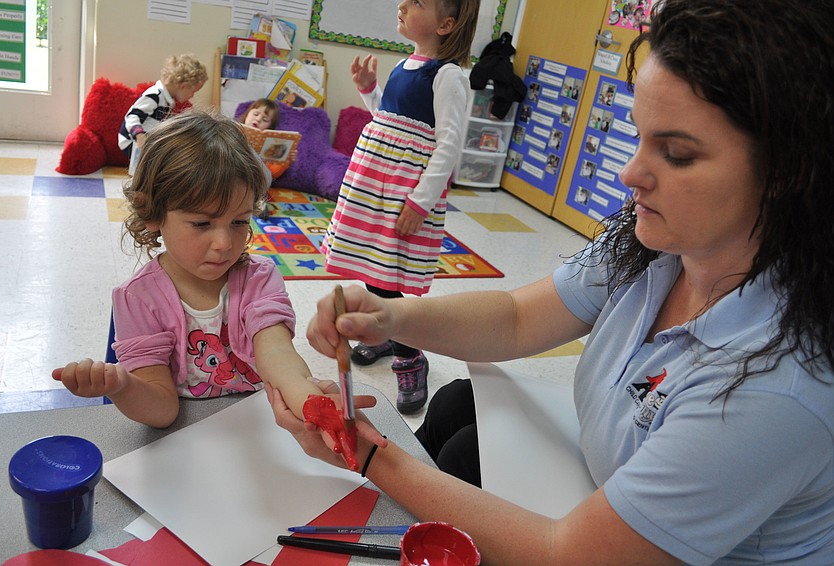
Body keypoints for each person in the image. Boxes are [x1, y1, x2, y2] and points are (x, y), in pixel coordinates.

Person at [270, 0, 834, 563]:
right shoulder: (659, 250)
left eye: (677, 154)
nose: (629, 173)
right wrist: (389, 315)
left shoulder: (774, 387)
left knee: (454, 454)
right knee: (452, 408)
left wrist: (370, 456)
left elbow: (568, 555)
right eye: (637, 137)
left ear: (786, 171)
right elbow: (517, 318)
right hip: (604, 472)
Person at [54, 110, 322, 428]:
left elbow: (276, 352)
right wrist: (121, 386)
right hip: (181, 439)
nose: (224, 242)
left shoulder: (259, 277)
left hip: (256, 428)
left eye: (239, 221)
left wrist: (308, 399)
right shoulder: (138, 298)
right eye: (202, 223)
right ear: (151, 212)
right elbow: (162, 411)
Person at [320, 0, 480, 415]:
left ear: (446, 24)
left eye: (417, 2)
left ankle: (410, 356)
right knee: (376, 267)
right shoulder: (404, 64)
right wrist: (369, 89)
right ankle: (384, 334)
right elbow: (390, 124)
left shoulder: (448, 76)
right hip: (377, 187)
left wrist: (419, 202)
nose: (402, 6)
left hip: (403, 193)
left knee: (388, 274)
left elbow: (447, 145)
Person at [117, 53, 207, 163]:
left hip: (146, 142)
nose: (192, 96)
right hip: (132, 141)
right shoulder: (155, 95)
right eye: (193, 92)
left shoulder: (167, 100)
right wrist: (139, 136)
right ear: (183, 86)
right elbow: (132, 116)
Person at [238, 98, 296, 181]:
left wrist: (287, 159)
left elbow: (272, 174)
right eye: (256, 114)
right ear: (247, 114)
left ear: (269, 127)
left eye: (265, 119)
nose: (258, 119)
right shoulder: (234, 129)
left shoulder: (270, 145)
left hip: (255, 180)